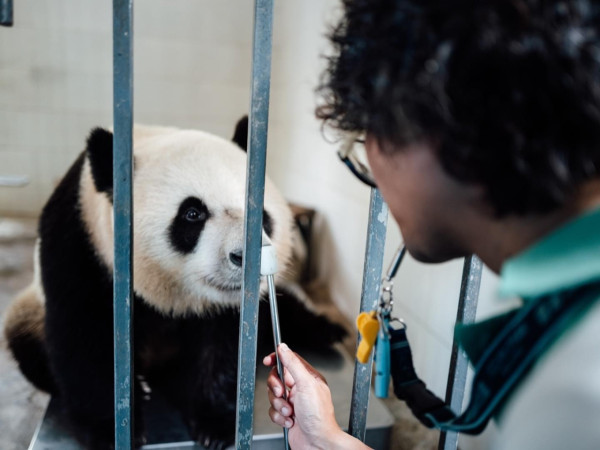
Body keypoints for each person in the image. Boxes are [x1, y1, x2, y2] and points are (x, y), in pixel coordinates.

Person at [263, 0, 600, 448]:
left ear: (432, 125)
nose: (375, 177)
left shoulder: (575, 394)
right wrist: (326, 438)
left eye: (366, 141)